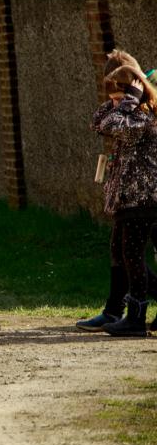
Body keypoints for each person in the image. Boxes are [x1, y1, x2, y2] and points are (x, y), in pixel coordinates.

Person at [77, 50, 157, 332]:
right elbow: (98, 121)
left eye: (117, 98)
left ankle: (135, 318)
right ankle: (119, 312)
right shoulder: (128, 110)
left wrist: (130, 100)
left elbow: (113, 124)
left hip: (142, 197)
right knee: (123, 253)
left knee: (132, 256)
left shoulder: (143, 116)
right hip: (127, 198)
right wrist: (121, 100)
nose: (113, 105)